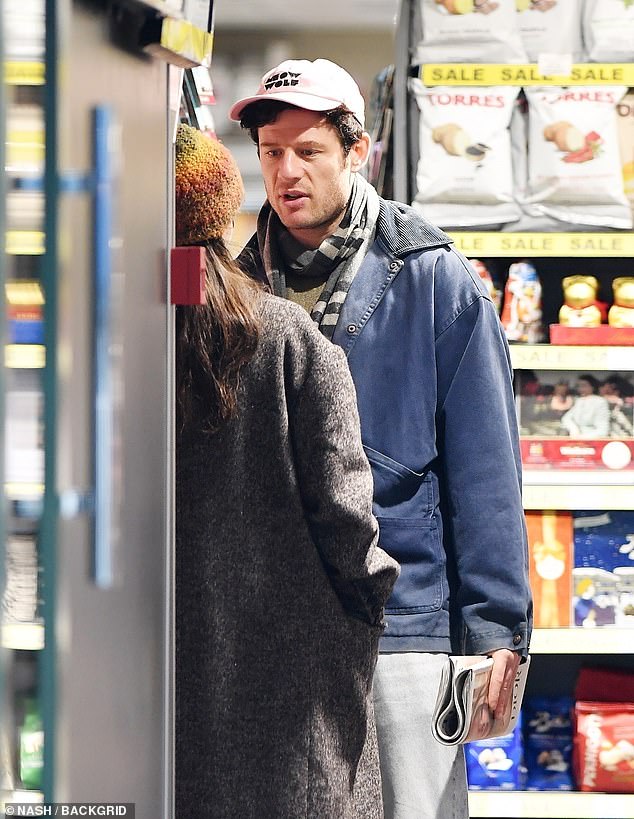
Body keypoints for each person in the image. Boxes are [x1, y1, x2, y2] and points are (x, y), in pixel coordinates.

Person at [229, 58, 533, 819]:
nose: (286, 171)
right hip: (273, 625)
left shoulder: (433, 277)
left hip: (406, 622)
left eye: (309, 151)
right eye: (271, 152)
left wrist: (498, 631)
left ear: (356, 151)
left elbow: (487, 467)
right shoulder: (234, 286)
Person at [173, 122, 399, 819]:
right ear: (222, 214)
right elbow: (345, 508)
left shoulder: (116, 342)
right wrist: (369, 600)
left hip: (165, 670)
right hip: (291, 677)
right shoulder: (286, 336)